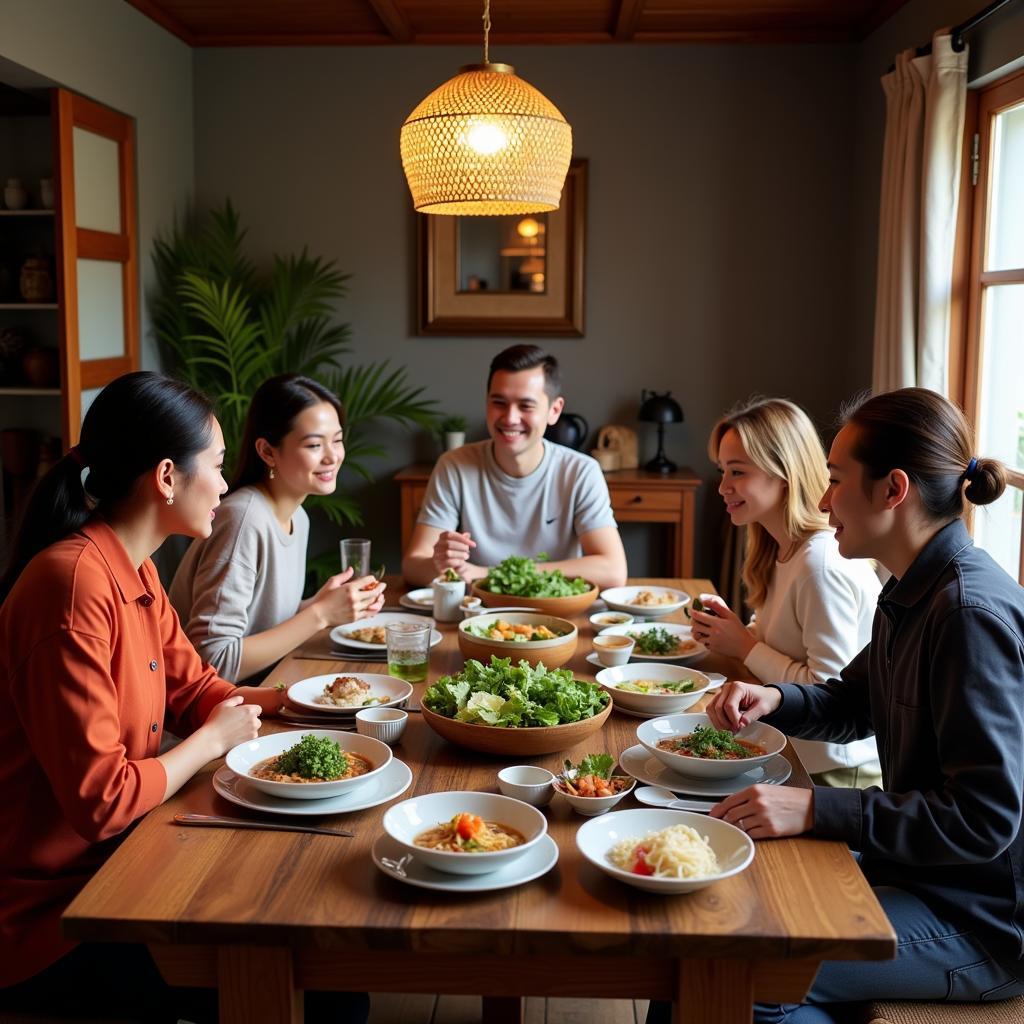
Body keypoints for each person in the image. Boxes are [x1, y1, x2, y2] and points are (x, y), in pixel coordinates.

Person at [0, 372, 367, 1023]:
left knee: (332, 964)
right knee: (325, 987)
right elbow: (103, 801)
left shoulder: (134, 564)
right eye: (220, 466)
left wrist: (304, 703)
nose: (226, 486)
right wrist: (212, 740)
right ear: (168, 477)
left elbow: (194, 687)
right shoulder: (72, 585)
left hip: (123, 864)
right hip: (52, 918)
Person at [696, 388, 1024, 1021]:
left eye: (835, 481)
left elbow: (983, 820)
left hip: (982, 924)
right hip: (915, 873)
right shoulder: (911, 589)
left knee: (752, 972)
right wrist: (775, 697)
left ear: (892, 490)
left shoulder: (967, 614)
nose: (820, 501)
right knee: (710, 928)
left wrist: (817, 806)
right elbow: (851, 703)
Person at [689, 398, 881, 787]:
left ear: (783, 473)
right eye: (722, 471)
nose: (723, 487)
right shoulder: (778, 547)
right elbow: (782, 639)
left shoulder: (821, 564)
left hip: (834, 772)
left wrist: (745, 646)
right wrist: (733, 631)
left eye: (737, 472)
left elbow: (829, 692)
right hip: (792, 746)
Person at [170, 374, 385, 683]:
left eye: (337, 440)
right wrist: (319, 615)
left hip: (264, 689)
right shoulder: (244, 520)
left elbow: (258, 622)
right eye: (314, 444)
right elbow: (212, 660)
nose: (332, 456)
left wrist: (320, 605)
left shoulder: (298, 517)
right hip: (207, 716)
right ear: (268, 451)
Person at [402, 344, 627, 588]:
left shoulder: (580, 471)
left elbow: (612, 570)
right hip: (476, 616)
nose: (509, 418)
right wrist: (438, 563)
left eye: (525, 406)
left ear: (554, 410)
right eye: (499, 402)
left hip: (557, 616)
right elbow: (413, 566)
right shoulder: (454, 465)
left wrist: (489, 574)